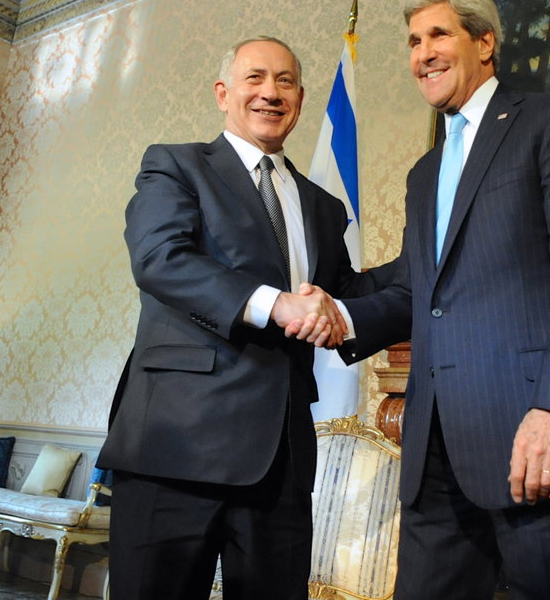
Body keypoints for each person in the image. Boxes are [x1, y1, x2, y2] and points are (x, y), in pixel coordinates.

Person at [325, 0, 550, 599]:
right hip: (435, 450)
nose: (423, 53)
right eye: (414, 41)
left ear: (485, 41)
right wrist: (335, 310)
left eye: (439, 34)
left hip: (534, 438)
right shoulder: (426, 171)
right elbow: (418, 286)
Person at [97, 36, 392, 600]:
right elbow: (161, 258)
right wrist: (275, 302)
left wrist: (429, 258)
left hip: (279, 457)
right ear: (223, 93)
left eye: (285, 82)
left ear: (300, 100)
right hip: (175, 446)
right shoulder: (176, 164)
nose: (270, 92)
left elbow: (345, 296)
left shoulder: (322, 206)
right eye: (255, 77)